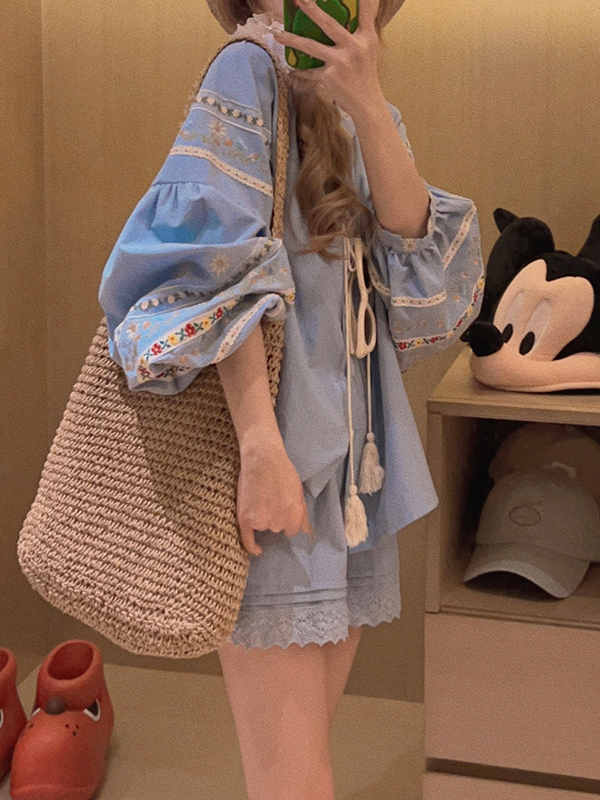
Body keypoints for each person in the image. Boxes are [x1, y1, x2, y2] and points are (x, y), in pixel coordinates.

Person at [97, 0, 484, 795]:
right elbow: (212, 267)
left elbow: (418, 262)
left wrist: (367, 103)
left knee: (297, 768)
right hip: (280, 470)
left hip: (345, 485)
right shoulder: (246, 72)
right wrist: (259, 447)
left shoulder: (357, 104)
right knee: (294, 778)